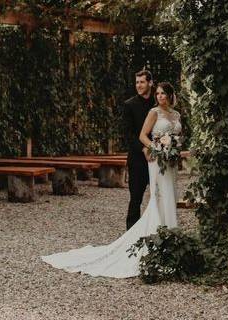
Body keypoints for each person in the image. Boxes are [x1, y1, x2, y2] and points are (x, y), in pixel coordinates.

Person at [40, 82, 182, 278]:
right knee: (160, 196)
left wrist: (175, 148)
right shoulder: (153, 112)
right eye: (157, 94)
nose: (159, 97)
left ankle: (172, 238)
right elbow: (142, 135)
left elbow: (177, 136)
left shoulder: (176, 115)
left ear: (170, 95)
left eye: (163, 93)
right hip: (157, 161)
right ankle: (159, 238)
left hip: (171, 162)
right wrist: (157, 148)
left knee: (171, 194)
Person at [123, 70, 156, 230]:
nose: (138, 85)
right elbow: (128, 134)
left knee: (159, 197)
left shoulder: (158, 103)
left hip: (158, 159)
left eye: (142, 82)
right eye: (137, 82)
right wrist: (143, 148)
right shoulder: (129, 105)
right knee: (135, 199)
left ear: (150, 83)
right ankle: (131, 236)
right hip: (137, 159)